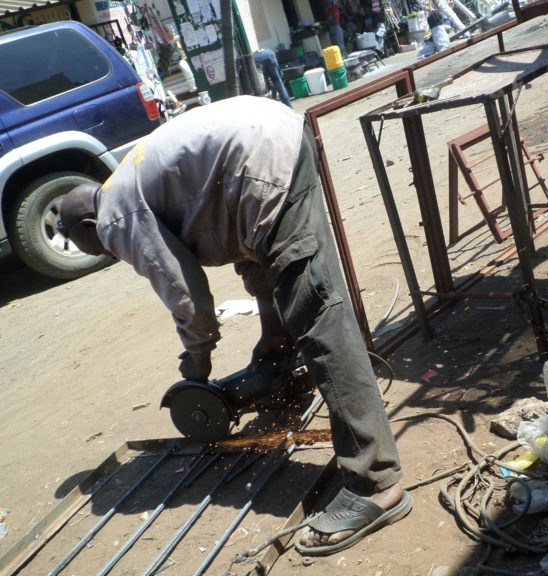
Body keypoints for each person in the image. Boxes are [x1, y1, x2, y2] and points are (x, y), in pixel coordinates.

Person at [56, 95, 411, 556]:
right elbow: (241, 238)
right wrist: (272, 331)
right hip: (273, 142)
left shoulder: (114, 217)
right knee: (292, 299)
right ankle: (286, 360)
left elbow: (188, 298)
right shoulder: (130, 180)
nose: (92, 250)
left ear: (87, 225)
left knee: (320, 321)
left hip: (263, 162)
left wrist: (196, 359)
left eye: (81, 242)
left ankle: (374, 484)